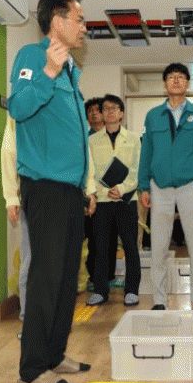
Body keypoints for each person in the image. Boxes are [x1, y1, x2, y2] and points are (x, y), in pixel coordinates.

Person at [8, 0, 92, 383]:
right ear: (57, 21)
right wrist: (48, 72)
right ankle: (32, 368)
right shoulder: (32, 56)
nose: (84, 26)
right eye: (79, 18)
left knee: (67, 276)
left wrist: (85, 185)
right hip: (44, 185)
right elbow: (19, 107)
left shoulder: (72, 68)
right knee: (46, 275)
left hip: (70, 188)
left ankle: (55, 353)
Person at [138, 63, 193, 317]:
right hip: (159, 187)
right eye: (171, 77)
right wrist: (143, 185)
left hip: (192, 185)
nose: (175, 81)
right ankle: (159, 300)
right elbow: (146, 152)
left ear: (187, 84)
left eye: (181, 77)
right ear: (165, 84)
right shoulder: (153, 115)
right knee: (158, 246)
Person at [85, 94, 141, 306]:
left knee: (130, 246)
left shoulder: (133, 139)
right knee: (100, 247)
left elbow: (137, 169)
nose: (109, 111)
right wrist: (101, 190)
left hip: (127, 200)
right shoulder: (92, 141)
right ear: (101, 113)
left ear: (121, 113)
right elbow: (89, 171)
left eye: (114, 108)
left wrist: (122, 188)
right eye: (105, 108)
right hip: (102, 201)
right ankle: (101, 290)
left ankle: (132, 290)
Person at [84, 97, 119, 289]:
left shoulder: (113, 136)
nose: (94, 114)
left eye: (97, 110)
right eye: (90, 111)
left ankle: (110, 276)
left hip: (112, 195)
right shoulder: (84, 138)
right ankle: (94, 277)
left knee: (111, 238)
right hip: (91, 196)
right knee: (93, 239)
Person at [0, 115, 30, 339]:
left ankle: (54, 320)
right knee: (30, 260)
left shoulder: (66, 102)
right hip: (32, 193)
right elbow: (9, 153)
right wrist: (11, 197)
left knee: (59, 262)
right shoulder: (19, 108)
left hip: (63, 193)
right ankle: (28, 319)